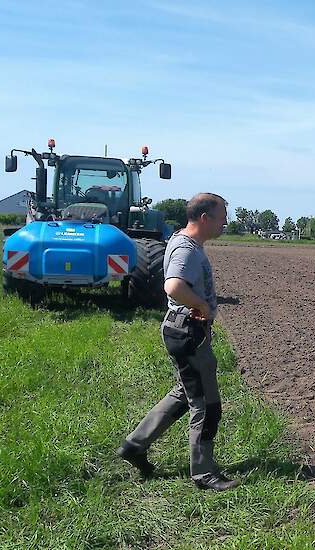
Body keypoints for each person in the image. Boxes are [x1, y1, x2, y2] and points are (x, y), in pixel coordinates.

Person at [116, 193, 239, 491]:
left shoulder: (185, 242)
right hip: (188, 331)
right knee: (207, 405)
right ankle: (204, 473)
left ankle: (135, 445)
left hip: (181, 329)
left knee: (184, 393)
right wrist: (203, 306)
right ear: (205, 218)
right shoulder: (187, 249)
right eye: (222, 215)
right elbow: (173, 286)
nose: (226, 221)